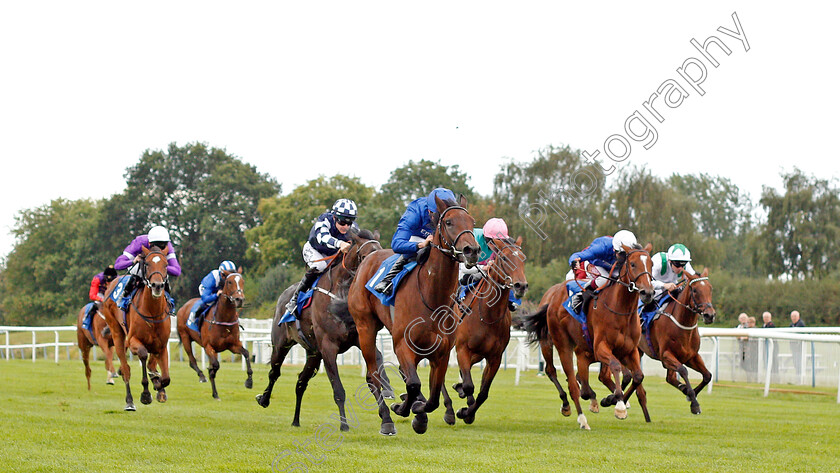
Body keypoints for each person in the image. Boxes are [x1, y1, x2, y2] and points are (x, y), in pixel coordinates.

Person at [374, 188, 457, 296]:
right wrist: (421, 244)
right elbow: (396, 244)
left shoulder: (454, 214)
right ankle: (388, 279)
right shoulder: (415, 211)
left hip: (440, 241)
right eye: (438, 216)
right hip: (417, 238)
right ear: (429, 211)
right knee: (419, 249)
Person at [285, 199, 358, 315]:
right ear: (334, 217)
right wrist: (340, 244)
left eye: (349, 223)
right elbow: (322, 238)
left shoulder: (354, 228)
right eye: (342, 223)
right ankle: (295, 299)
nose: (346, 227)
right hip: (314, 250)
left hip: (333, 254)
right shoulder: (324, 220)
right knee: (320, 266)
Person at [567, 229, 639, 313]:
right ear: (614, 250)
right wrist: (574, 261)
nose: (625, 258)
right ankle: (580, 295)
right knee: (605, 280)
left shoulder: (624, 251)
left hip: (611, 267)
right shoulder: (602, 247)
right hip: (594, 264)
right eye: (623, 255)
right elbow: (577, 255)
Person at [458, 218, 520, 312]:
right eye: (495, 242)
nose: (497, 245)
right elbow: (461, 267)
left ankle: (512, 300)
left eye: (500, 241)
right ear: (486, 238)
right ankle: (460, 297)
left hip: (486, 273)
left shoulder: (501, 246)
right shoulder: (471, 239)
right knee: (466, 279)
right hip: (465, 271)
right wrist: (483, 268)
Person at [113, 225, 181, 311]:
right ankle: (125, 297)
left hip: (157, 270)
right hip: (141, 266)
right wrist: (133, 261)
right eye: (156, 245)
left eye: (163, 246)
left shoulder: (169, 247)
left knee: (162, 273)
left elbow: (177, 271)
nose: (159, 249)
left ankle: (168, 300)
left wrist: (160, 266)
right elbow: (118, 264)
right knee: (139, 271)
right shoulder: (139, 243)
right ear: (149, 243)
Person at [187, 260, 237, 331]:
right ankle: (195, 317)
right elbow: (205, 299)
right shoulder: (212, 279)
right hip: (207, 292)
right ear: (222, 274)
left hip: (218, 290)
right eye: (227, 276)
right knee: (209, 303)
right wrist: (216, 295)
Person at [789, 310, 805, 375]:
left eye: (795, 316)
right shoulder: (791, 325)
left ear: (798, 316)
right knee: (795, 363)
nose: (793, 318)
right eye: (792, 316)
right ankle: (797, 376)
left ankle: (800, 377)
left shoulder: (800, 324)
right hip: (794, 348)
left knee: (799, 363)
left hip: (799, 348)